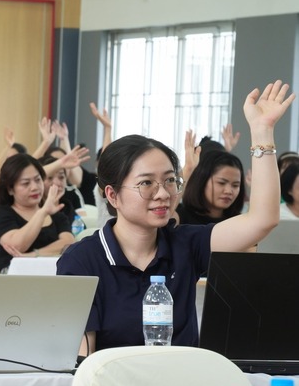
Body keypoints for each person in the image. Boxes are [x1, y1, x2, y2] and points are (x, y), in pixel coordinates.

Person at [58, 80, 293, 356]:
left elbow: (262, 220)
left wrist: (262, 131)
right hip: (114, 382)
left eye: (170, 180)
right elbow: (82, 359)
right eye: (146, 183)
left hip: (183, 380)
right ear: (112, 195)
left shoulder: (185, 244)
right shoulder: (82, 260)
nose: (163, 194)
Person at [0, 154, 74, 272]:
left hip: (53, 272)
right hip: (15, 275)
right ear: (10, 189)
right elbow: (17, 246)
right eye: (26, 183)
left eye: (38, 180)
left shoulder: (55, 215)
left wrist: (34, 255)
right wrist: (42, 212)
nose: (34, 187)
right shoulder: (2, 214)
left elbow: (69, 243)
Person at [175, 149, 245, 225]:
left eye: (235, 185)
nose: (228, 191)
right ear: (202, 181)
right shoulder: (180, 217)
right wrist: (188, 170)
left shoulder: (240, 222)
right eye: (221, 183)